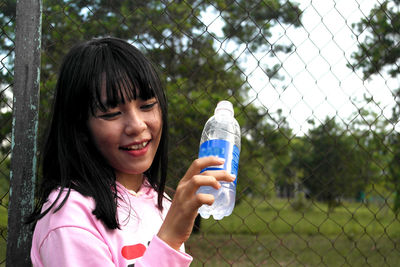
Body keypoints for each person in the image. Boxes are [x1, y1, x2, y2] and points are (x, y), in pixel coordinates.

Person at [27, 37, 235, 267]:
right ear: (80, 126)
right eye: (112, 113)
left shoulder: (160, 202)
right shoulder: (69, 218)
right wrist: (170, 239)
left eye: (147, 106)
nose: (137, 125)